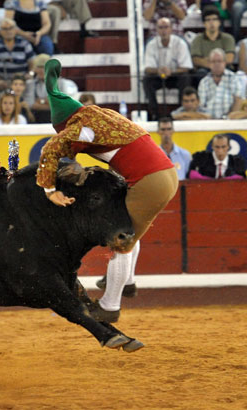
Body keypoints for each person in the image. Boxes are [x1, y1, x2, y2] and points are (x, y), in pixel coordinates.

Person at [37, 58, 178, 323]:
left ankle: (109, 306)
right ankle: (127, 282)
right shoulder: (105, 115)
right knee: (129, 227)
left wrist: (50, 189)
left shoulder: (82, 128)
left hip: (149, 181)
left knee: (121, 241)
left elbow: (51, 150)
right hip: (166, 174)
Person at [143, 17, 192, 121]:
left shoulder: (180, 43)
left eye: (166, 27)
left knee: (185, 77)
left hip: (175, 76)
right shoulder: (151, 44)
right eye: (161, 27)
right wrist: (158, 71)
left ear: (171, 29)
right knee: (147, 80)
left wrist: (171, 71)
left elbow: (186, 67)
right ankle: (154, 114)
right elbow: (148, 68)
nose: (163, 30)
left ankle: (181, 111)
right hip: (158, 76)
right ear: (157, 29)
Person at [0, 18, 35, 106]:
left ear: (15, 29)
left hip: (21, 79)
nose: (8, 31)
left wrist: (30, 73)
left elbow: (32, 62)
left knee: (30, 83)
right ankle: (1, 109)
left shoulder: (24, 44)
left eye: (10, 28)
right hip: (2, 80)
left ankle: (26, 110)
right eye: (5, 29)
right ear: (0, 31)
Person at [190, 6, 235, 84]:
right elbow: (196, 60)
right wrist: (216, 63)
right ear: (204, 23)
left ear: (219, 22)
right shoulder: (197, 39)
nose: (211, 22)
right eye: (208, 20)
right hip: (205, 69)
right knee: (200, 72)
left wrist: (210, 61)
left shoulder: (228, 38)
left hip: (224, 68)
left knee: (229, 71)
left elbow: (229, 59)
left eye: (214, 19)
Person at [197, 48, 243, 119]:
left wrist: (229, 118)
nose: (216, 64)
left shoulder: (233, 78)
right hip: (208, 120)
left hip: (230, 120)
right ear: (209, 64)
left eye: (219, 61)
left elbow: (238, 100)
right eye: (213, 61)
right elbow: (201, 105)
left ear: (224, 62)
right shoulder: (204, 82)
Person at [23, 53, 52, 123]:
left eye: (44, 67)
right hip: (35, 119)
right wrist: (48, 103)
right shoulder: (30, 84)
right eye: (39, 67)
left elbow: (60, 106)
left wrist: (40, 101)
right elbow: (30, 104)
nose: (41, 70)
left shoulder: (60, 83)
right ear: (35, 69)